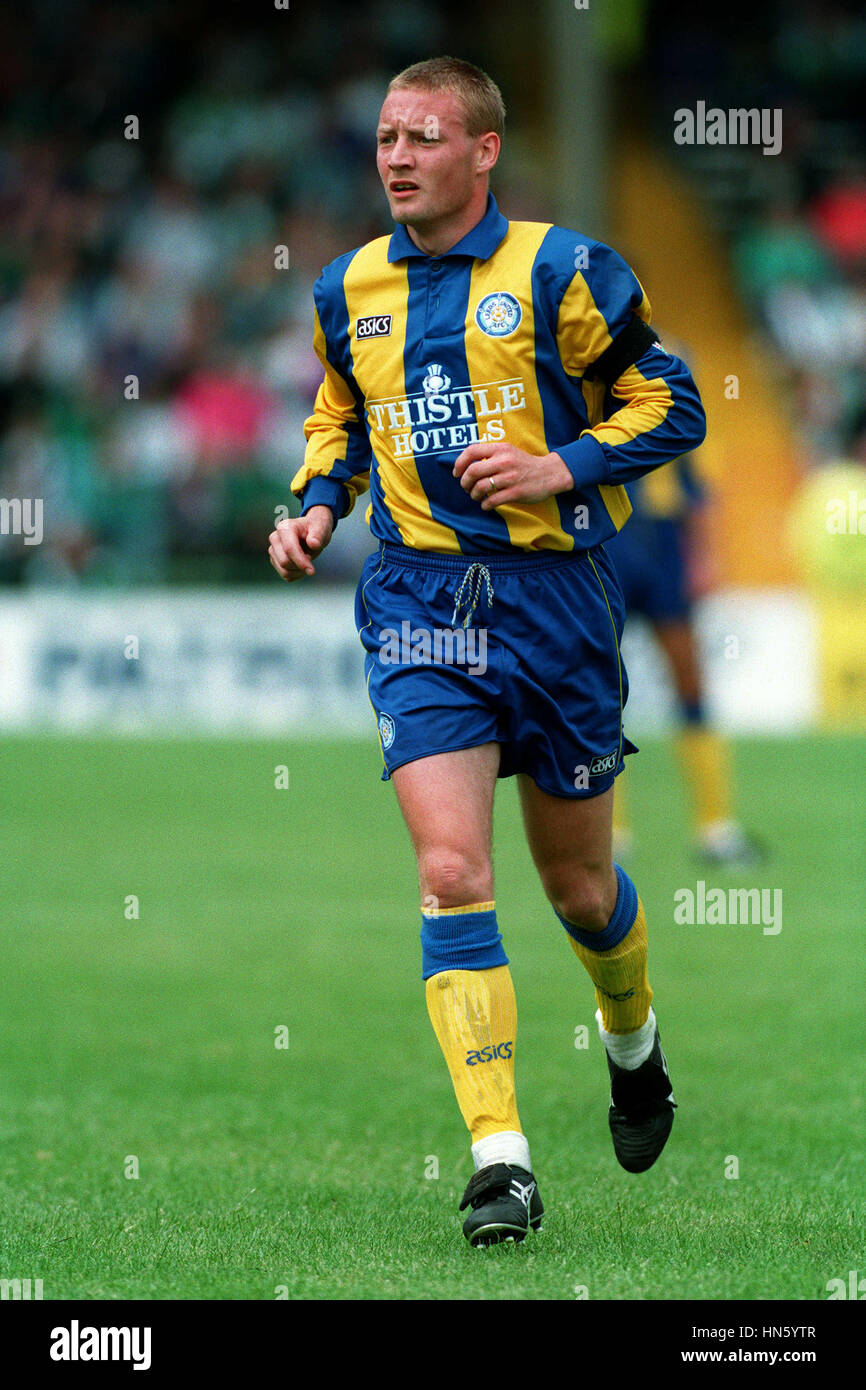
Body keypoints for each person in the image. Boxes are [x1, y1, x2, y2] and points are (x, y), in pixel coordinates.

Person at [268, 56, 707, 1246]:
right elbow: (340, 416)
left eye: (422, 135)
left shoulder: (562, 270)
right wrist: (314, 500)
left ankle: (631, 1043)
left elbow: (673, 402)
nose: (396, 156)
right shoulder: (345, 287)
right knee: (453, 872)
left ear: (482, 150)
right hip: (416, 603)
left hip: (555, 601)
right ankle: (499, 1162)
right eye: (384, 138)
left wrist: (560, 465)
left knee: (575, 887)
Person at [606, 453, 765, 866]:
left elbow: (695, 490)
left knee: (690, 684)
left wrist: (703, 558)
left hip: (663, 546)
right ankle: (610, 833)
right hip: (607, 541)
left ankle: (715, 828)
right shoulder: (581, 396)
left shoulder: (664, 397)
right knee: (598, 692)